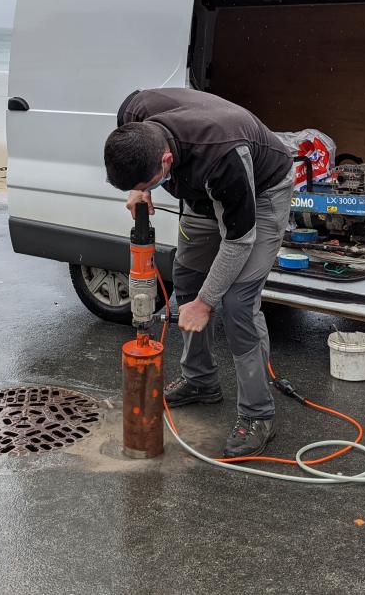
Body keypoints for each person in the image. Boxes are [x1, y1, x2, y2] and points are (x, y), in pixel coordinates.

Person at [104, 88, 294, 458]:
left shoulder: (223, 155)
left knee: (237, 303)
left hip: (263, 192)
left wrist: (207, 303)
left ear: (166, 158)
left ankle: (258, 414)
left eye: (148, 183)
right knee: (187, 279)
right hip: (202, 193)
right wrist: (138, 191)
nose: (146, 191)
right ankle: (200, 380)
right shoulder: (134, 114)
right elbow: (135, 157)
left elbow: (240, 240)